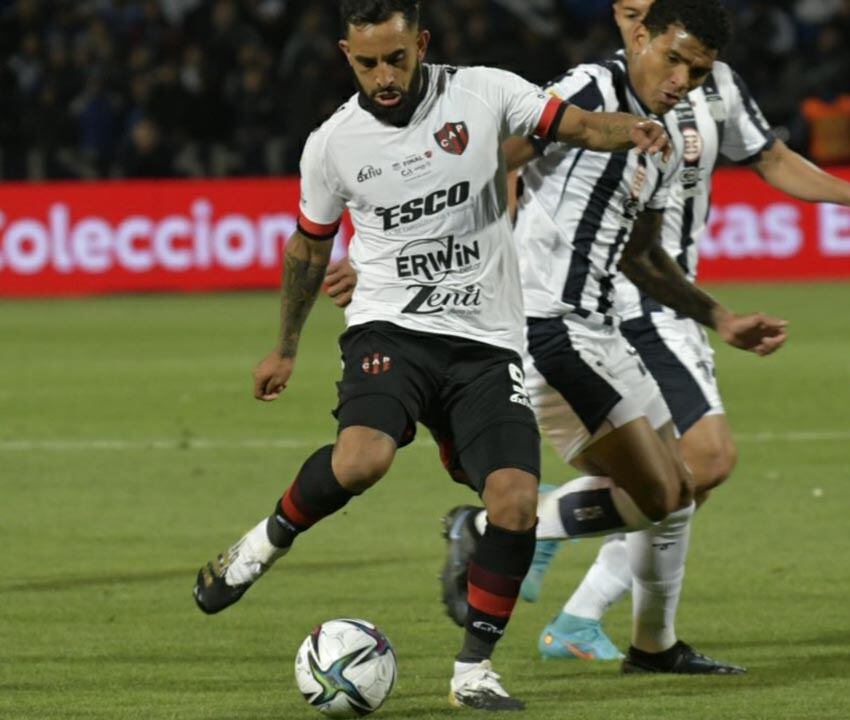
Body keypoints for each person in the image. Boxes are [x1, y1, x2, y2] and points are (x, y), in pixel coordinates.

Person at [191, 0, 671, 711]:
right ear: (344, 56)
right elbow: (308, 246)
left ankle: (473, 670)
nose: (383, 76)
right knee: (362, 460)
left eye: (395, 58)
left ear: (421, 44)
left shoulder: (484, 92)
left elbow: (576, 125)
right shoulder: (332, 144)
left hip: (487, 341)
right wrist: (286, 344)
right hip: (391, 329)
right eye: (366, 63)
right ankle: (262, 543)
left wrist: (633, 130)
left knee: (513, 505)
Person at [523, 0, 850, 662]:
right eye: (627, 12)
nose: (682, 74)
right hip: (616, 304)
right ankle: (535, 526)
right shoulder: (591, 91)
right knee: (703, 460)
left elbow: (770, 158)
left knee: (681, 477)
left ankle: (614, 623)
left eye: (693, 66)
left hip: (665, 289)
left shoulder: (710, 94)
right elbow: (504, 157)